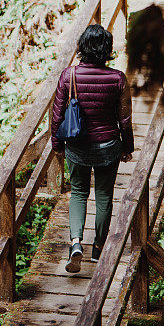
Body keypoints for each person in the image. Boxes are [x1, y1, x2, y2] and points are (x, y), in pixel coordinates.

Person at [51, 24, 134, 273]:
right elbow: (125, 119)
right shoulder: (118, 78)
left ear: (82, 47)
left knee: (78, 192)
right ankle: (98, 249)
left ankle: (76, 243)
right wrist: (127, 147)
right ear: (107, 50)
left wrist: (57, 145)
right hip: (108, 146)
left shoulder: (69, 76)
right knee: (104, 196)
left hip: (77, 146)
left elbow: (56, 116)